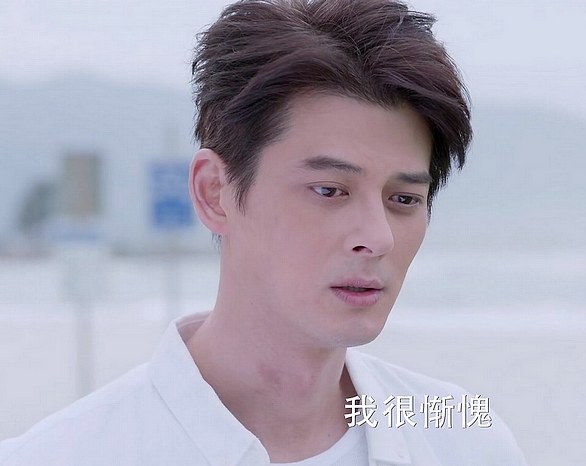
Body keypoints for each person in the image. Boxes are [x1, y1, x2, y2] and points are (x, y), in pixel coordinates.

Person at [0, 0, 527, 464]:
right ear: (214, 192)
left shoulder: (462, 438)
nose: (378, 236)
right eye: (330, 190)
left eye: (404, 199)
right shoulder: (61, 455)